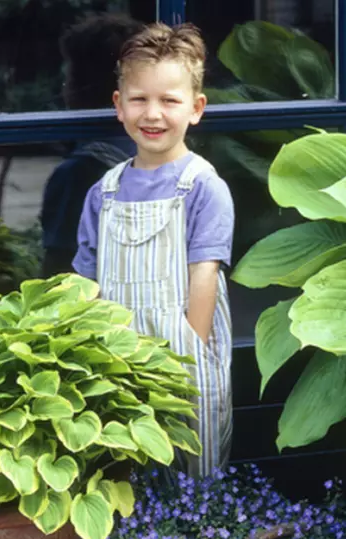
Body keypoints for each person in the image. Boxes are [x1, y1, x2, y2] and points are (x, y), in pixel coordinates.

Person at [73, 22, 234, 478]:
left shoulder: (203, 187)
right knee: (126, 467)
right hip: (118, 356)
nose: (153, 113)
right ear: (119, 106)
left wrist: (187, 353)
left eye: (169, 100)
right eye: (140, 99)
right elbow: (87, 282)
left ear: (196, 108)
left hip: (183, 353)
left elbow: (204, 273)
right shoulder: (103, 192)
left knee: (191, 464)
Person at [40, 13, 144, 276]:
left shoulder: (78, 173)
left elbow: (59, 272)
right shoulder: (154, 154)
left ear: (77, 85)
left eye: (68, 78)